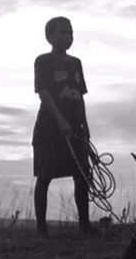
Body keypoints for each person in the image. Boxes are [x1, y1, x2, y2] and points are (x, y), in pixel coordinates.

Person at [32, 16, 96, 237]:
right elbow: (44, 93)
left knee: (82, 175)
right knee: (45, 175)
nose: (68, 36)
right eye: (62, 32)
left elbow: (80, 97)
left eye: (70, 32)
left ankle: (85, 225)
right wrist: (60, 120)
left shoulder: (76, 63)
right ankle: (41, 228)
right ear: (49, 37)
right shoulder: (43, 61)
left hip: (75, 128)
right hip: (49, 128)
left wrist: (85, 127)